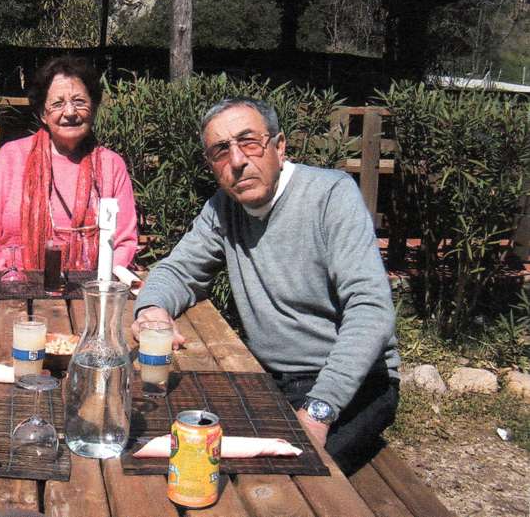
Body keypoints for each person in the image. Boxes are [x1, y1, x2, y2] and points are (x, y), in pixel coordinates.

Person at [132, 97, 400, 475]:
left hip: (352, 384)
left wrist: (319, 411)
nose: (238, 161)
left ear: (279, 145)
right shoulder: (224, 208)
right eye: (221, 150)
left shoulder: (330, 196)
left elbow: (370, 311)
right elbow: (177, 270)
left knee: (278, 482)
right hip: (269, 378)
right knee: (168, 435)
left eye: (250, 142)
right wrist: (153, 311)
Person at [0, 56, 138, 272]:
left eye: (79, 102)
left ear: (94, 108)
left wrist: (97, 287)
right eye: (58, 103)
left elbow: (123, 242)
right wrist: (10, 285)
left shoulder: (111, 165)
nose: (70, 112)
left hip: (89, 293)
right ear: (43, 114)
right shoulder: (11, 158)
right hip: (13, 291)